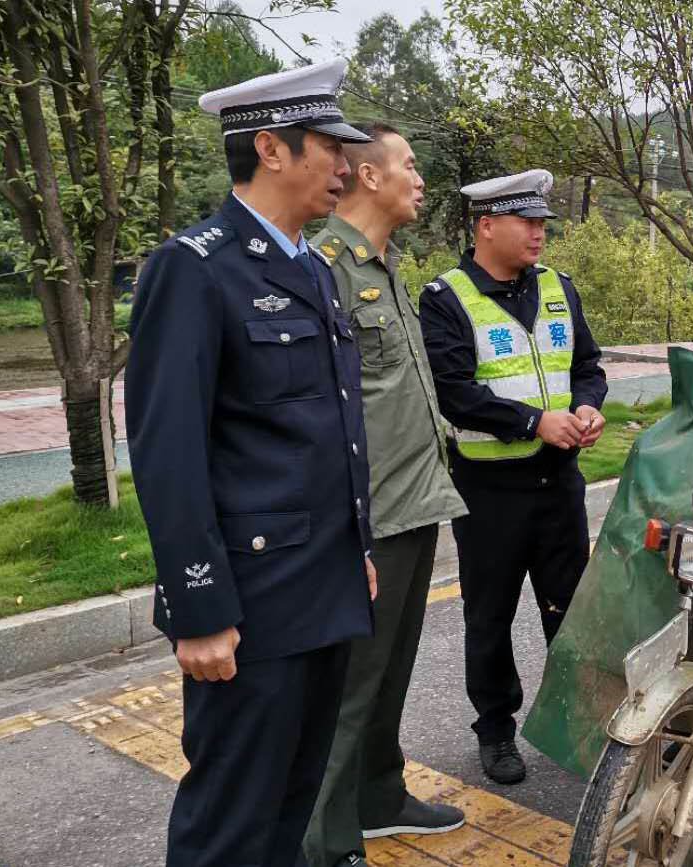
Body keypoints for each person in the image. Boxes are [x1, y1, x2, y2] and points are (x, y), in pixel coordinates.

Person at [124, 59, 378, 867]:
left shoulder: (309, 264)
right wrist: (197, 607)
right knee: (230, 820)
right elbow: (167, 451)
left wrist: (356, 549)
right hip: (251, 602)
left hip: (322, 587)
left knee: (291, 805)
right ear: (271, 148)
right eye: (329, 148)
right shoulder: (194, 268)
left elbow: (324, 431)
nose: (345, 167)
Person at [302, 123, 469, 867]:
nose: (419, 177)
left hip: (413, 499)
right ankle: (322, 841)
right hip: (367, 513)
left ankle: (377, 795)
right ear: (368, 177)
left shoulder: (384, 266)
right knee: (347, 686)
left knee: (391, 669)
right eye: (408, 164)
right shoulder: (324, 268)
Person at [419, 169, 608, 785]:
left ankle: (581, 723)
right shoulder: (445, 299)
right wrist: (533, 422)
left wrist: (587, 405)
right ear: (486, 226)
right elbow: (454, 394)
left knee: (571, 611)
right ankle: (496, 731)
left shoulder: (558, 287)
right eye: (526, 222)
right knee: (490, 615)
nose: (538, 234)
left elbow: (586, 364)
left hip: (561, 485)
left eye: (541, 223)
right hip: (489, 491)